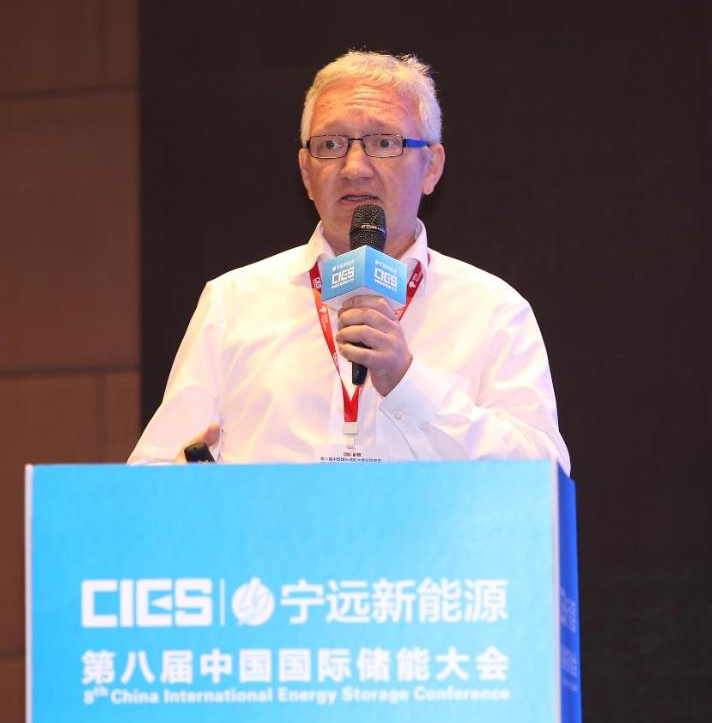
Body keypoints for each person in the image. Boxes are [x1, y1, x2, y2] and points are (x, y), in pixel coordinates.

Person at [129, 50, 570, 472]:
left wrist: (408, 382)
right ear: (306, 172)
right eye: (331, 144)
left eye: (384, 142)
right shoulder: (234, 301)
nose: (354, 166)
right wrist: (182, 482)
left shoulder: (492, 309)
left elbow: (543, 477)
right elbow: (151, 472)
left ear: (432, 167)